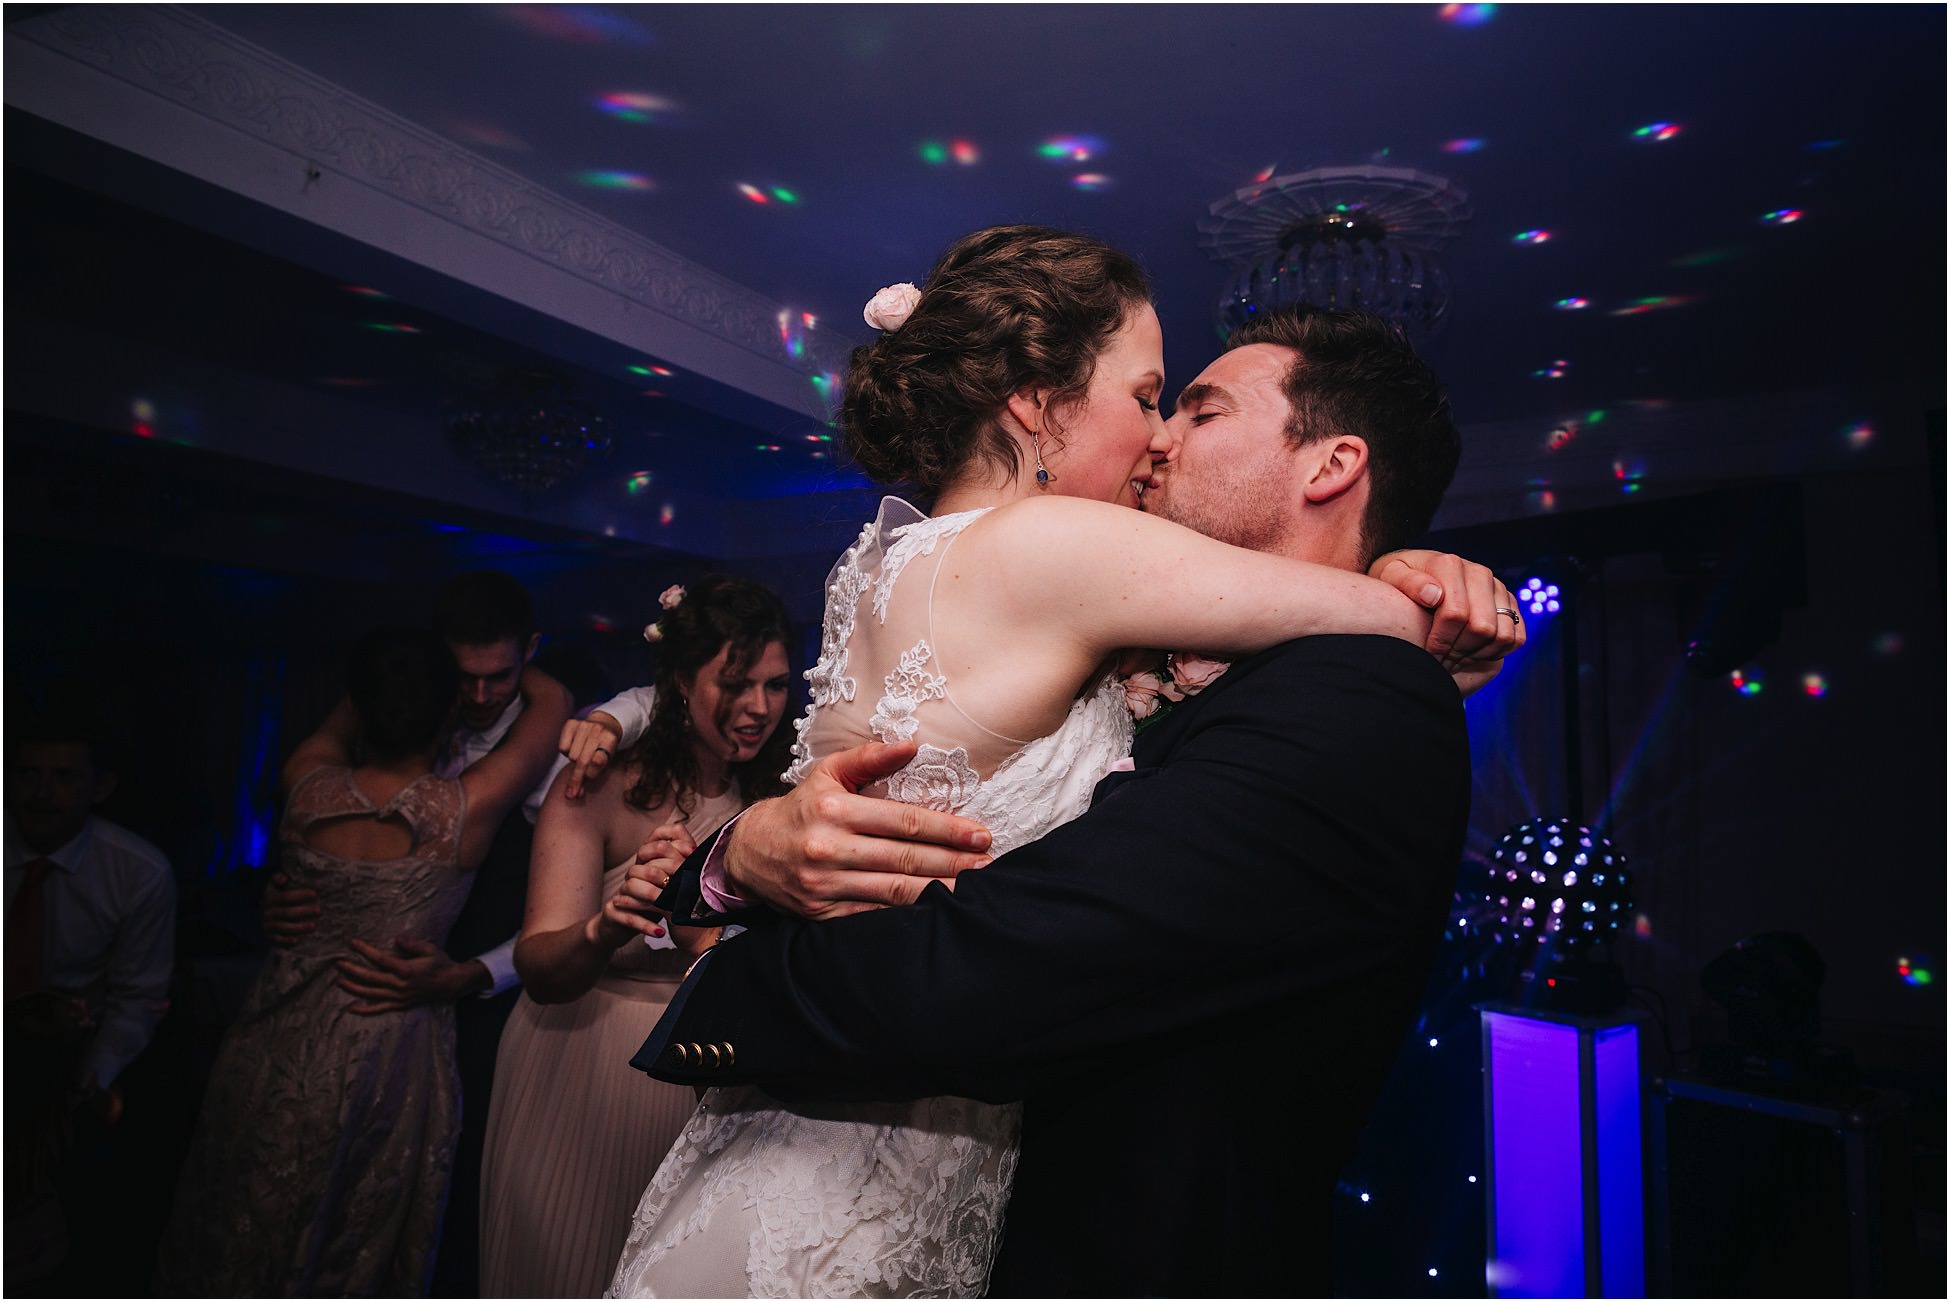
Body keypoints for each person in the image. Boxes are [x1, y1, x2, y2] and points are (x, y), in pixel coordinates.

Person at [603, 227, 1516, 1297]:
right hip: (872, 1173)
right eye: (1152, 400)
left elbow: (997, 968)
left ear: (1333, 464)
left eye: (1196, 409)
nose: (1162, 438)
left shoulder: (1350, 703)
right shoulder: (1092, 606)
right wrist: (733, 859)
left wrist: (715, 966)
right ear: (1037, 401)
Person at [155, 627, 572, 1296]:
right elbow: (552, 704)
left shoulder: (304, 784)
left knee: (247, 1204)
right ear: (444, 712)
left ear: (360, 704)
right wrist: (511, 662)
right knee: (352, 1226)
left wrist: (395, 676)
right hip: (386, 1040)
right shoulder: (462, 809)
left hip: (277, 1031)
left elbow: (353, 708)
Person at [476, 576, 796, 1297]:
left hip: (709, 1071)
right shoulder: (601, 784)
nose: (758, 709)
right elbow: (540, 965)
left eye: (775, 686)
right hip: (582, 1065)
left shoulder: (779, 791)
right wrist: (602, 926)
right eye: (736, 684)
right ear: (680, 681)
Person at [262, 570, 573, 1296]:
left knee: (444, 1210)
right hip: (356, 1011)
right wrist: (282, 900)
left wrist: (475, 973)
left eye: (500, 676)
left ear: (530, 651)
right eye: (464, 677)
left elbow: (575, 910)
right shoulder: (407, 730)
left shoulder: (562, 748)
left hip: (492, 1015)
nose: (482, 695)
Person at [5, 714, 174, 1292]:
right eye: (26, 773)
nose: (40, 792)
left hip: (71, 1066)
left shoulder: (137, 872)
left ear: (100, 787)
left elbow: (139, 997)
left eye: (62, 777)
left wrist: (84, 1079)